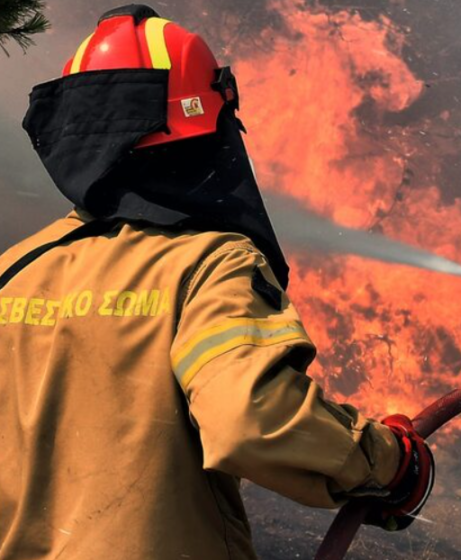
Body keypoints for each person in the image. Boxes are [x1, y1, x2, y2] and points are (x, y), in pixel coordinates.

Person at [0, 5, 433, 559]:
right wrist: (389, 464)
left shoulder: (16, 269)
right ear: (207, 131)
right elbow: (252, 415)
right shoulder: (208, 265)